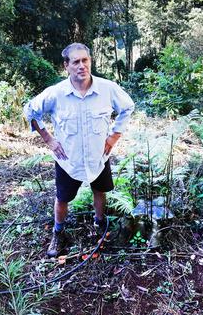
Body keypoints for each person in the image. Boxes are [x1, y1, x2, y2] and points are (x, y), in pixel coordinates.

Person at [24, 43, 135, 257]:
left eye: (85, 60)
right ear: (66, 66)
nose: (81, 66)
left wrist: (113, 136)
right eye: (76, 62)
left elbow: (128, 107)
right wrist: (48, 139)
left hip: (98, 156)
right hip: (69, 159)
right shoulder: (56, 93)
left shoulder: (107, 89)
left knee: (99, 191)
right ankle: (58, 232)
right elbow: (30, 110)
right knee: (62, 198)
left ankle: (100, 223)